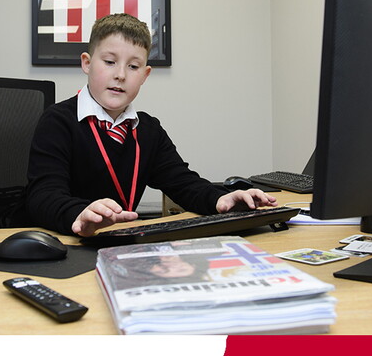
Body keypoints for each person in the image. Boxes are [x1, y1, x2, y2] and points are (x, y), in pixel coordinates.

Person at [22, 13, 276, 236]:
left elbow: (184, 184)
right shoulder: (58, 121)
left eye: (133, 66)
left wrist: (221, 199)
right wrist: (80, 214)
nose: (120, 75)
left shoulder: (148, 130)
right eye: (109, 62)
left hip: (121, 242)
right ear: (87, 63)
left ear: (145, 75)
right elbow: (43, 196)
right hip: (67, 244)